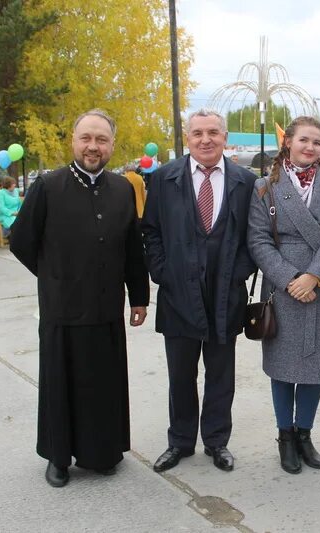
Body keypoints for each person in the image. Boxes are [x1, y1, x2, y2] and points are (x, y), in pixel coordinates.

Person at [9, 109, 150, 488]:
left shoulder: (123, 189)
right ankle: (58, 457)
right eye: (86, 138)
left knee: (103, 383)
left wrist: (139, 298)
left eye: (101, 140)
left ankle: (101, 453)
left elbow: (132, 250)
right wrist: (53, 275)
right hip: (62, 309)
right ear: (73, 141)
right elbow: (20, 241)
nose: (93, 147)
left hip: (106, 309)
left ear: (111, 146)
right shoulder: (47, 187)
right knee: (61, 383)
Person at [141, 109, 256, 474]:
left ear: (225, 137)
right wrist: (163, 272)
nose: (205, 139)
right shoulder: (163, 179)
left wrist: (238, 274)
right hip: (178, 295)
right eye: (197, 133)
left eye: (213, 132)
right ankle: (180, 441)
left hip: (225, 295)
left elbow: (254, 237)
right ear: (187, 138)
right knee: (181, 374)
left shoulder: (245, 181)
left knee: (221, 373)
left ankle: (217, 441)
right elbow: (151, 231)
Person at [247, 116, 320, 475]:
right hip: (284, 286)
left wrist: (314, 275)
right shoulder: (266, 186)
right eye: (304, 140)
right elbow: (258, 239)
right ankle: (285, 437)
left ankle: (305, 434)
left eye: (317, 142)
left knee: (315, 365)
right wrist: (290, 277)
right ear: (288, 142)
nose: (310, 147)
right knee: (284, 366)